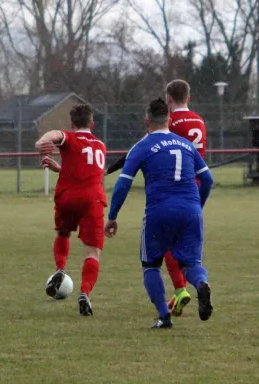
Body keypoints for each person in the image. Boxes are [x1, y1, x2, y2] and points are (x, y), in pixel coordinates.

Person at [104, 98, 213, 328]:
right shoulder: (186, 145)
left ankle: (164, 317)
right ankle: (202, 283)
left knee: (151, 264)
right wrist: (197, 207)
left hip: (159, 211)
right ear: (169, 119)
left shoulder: (142, 146)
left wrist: (112, 216)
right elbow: (208, 179)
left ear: (147, 122)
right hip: (190, 210)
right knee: (190, 264)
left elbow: (123, 184)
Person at [35, 104, 106, 316]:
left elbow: (55, 135)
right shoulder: (101, 145)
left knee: (63, 233)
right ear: (92, 124)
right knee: (92, 251)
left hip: (68, 197)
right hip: (92, 199)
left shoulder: (70, 137)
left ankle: (60, 269)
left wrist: (42, 141)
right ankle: (85, 292)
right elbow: (87, 169)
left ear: (72, 124)